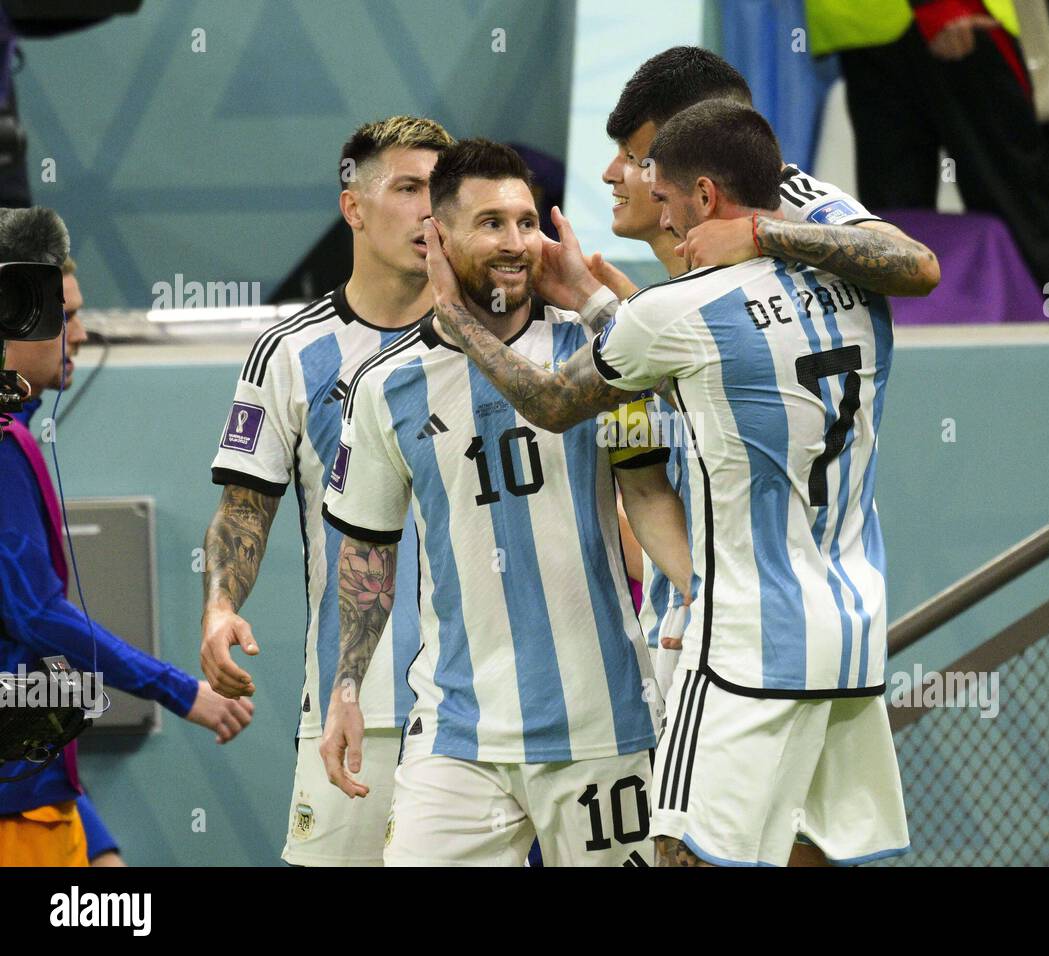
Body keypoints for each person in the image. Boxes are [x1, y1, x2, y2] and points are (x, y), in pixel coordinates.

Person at [424, 102, 910, 867]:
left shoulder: (678, 308)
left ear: (706, 197)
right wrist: (593, 298)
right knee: (813, 850)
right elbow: (900, 272)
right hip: (852, 632)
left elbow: (554, 402)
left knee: (678, 851)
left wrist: (461, 320)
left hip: (745, 643)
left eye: (668, 199)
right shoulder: (861, 293)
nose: (668, 223)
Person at [320, 139, 691, 867]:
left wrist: (703, 597)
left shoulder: (599, 356)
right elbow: (368, 550)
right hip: (459, 734)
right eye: (491, 223)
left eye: (527, 222)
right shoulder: (385, 386)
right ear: (438, 235)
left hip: (604, 728)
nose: (516, 242)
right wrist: (346, 687)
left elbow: (648, 493)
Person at [595, 45, 938, 704]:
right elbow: (645, 477)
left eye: (637, 158)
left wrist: (760, 232)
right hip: (690, 622)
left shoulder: (792, 200)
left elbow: (918, 266)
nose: (614, 173)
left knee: (701, 814)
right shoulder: (663, 312)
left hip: (755, 639)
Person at [200, 116, 452, 867]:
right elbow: (245, 508)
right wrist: (219, 604)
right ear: (354, 206)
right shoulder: (289, 354)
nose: (428, 211)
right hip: (353, 706)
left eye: (441, 192)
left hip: (482, 713)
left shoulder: (499, 345)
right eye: (408, 189)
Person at [0, 253, 252, 867]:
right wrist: (178, 690)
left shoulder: (16, 432)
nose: (83, 335)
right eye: (66, 319)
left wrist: (93, 841)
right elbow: (36, 617)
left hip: (40, 797)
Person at [805, 0, 1049, 293]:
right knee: (1021, 212)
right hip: (945, 16)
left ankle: (901, 334)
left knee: (898, 229)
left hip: (870, 23)